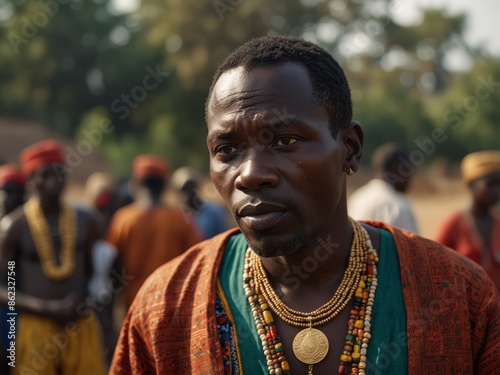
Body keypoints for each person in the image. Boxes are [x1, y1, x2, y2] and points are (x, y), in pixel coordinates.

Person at [110, 36, 499, 375]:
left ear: (350, 149)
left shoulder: (458, 297)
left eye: (285, 142)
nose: (249, 174)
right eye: (227, 149)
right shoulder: (165, 306)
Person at [0, 139, 107, 375]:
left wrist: (86, 305)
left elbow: (93, 275)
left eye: (59, 174)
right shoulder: (13, 228)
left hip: (80, 327)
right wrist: (48, 308)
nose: (53, 182)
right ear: (29, 181)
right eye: (44, 175)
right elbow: (3, 288)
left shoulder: (86, 222)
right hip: (36, 328)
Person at [105, 154, 202, 309]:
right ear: (164, 185)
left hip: (134, 305)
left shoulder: (123, 218)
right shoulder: (182, 218)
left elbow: (110, 263)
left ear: (136, 184)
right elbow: (198, 259)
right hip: (173, 305)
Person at [435, 150, 500, 291]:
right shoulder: (453, 225)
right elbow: (435, 269)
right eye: (491, 185)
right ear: (471, 184)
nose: (497, 191)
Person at [348, 143, 419, 233]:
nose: (410, 179)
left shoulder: (357, 198)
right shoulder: (399, 206)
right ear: (399, 170)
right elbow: (411, 245)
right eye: (409, 171)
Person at [0, 164, 25, 374]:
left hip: (23, 311)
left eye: (17, 191)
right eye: (6, 191)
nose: (11, 198)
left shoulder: (29, 229)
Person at [170, 166, 230, 239]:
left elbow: (223, 237)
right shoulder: (177, 217)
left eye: (191, 186)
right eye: (184, 189)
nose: (189, 191)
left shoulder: (214, 212)